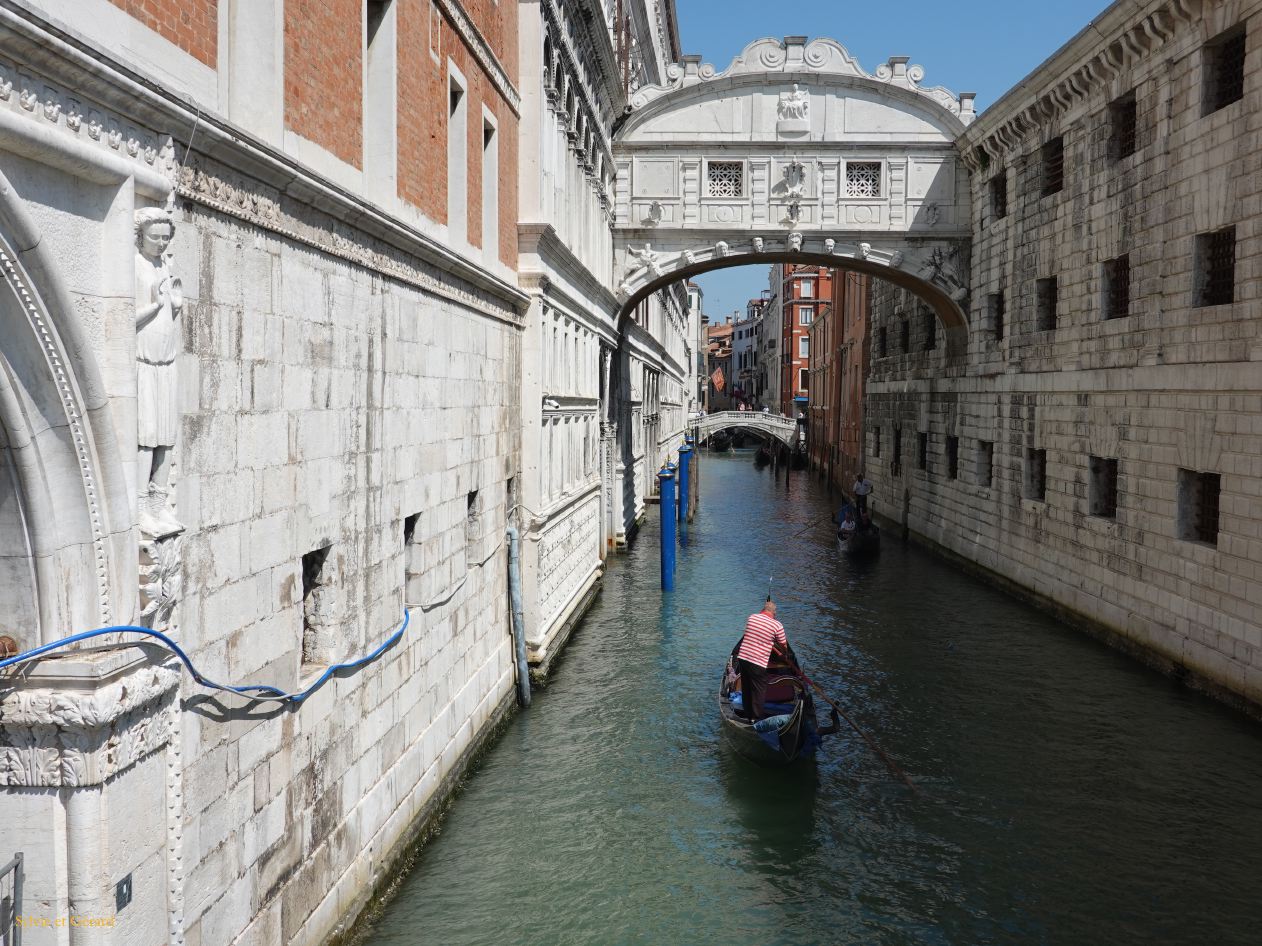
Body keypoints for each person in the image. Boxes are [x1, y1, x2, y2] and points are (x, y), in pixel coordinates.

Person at [735, 599, 795, 720]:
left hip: (743, 658)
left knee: (746, 688)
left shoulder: (752, 617)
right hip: (758, 662)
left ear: (763, 610)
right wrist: (784, 656)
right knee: (759, 691)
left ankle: (748, 715)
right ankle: (757, 719)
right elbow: (783, 645)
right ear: (774, 613)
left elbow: (753, 634)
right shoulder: (777, 625)